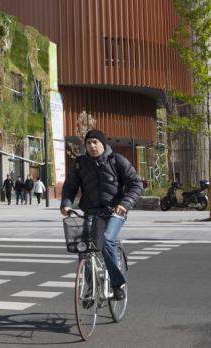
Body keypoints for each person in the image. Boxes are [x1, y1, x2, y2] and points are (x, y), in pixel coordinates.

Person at [60, 128, 143, 301]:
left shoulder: (117, 161)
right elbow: (70, 187)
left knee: (106, 239)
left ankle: (117, 284)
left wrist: (125, 204)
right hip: (91, 212)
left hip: (115, 211)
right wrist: (66, 204)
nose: (92, 146)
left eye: (95, 142)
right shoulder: (80, 163)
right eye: (88, 143)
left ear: (103, 144)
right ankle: (90, 287)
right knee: (84, 248)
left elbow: (136, 184)